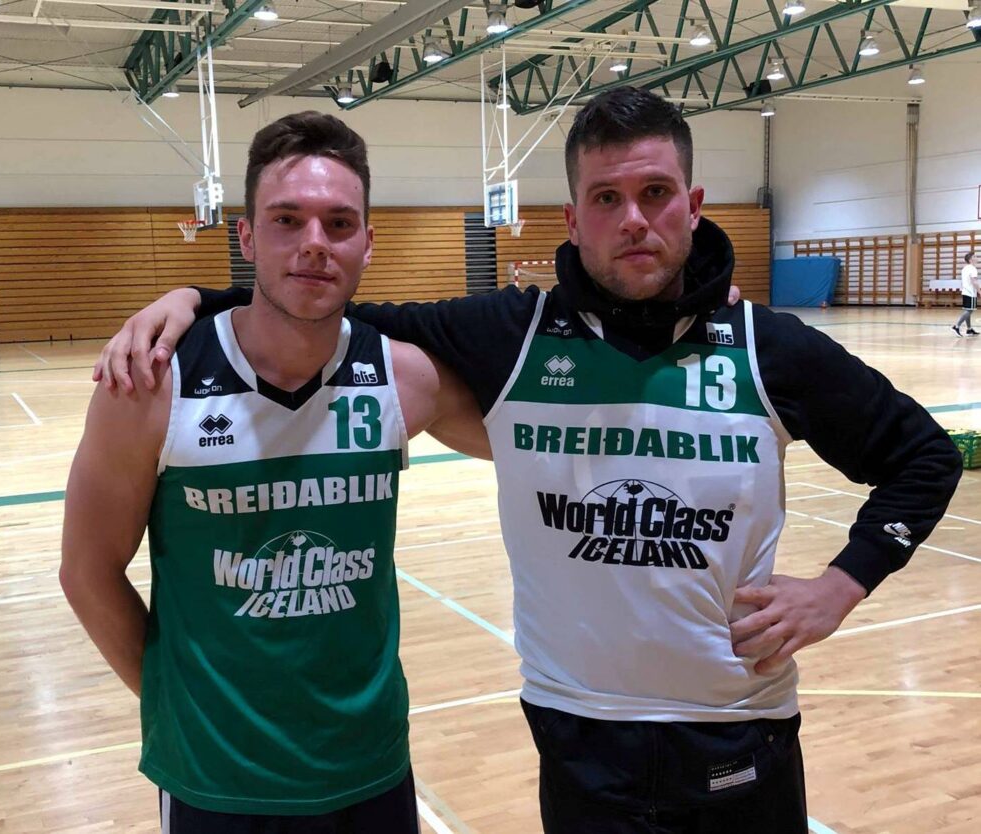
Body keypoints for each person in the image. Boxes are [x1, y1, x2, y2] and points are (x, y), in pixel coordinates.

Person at [95, 89, 962, 833]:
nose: (634, 219)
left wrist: (841, 585)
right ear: (573, 218)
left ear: (693, 205)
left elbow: (924, 455)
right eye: (607, 198)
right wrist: (195, 299)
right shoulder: (513, 336)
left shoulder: (766, 348)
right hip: (578, 734)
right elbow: (328, 308)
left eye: (656, 193)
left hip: (738, 729)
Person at [60, 111, 489, 834]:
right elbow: (86, 572)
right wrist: (178, 702)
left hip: (371, 765)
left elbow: (542, 447)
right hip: (217, 780)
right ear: (247, 236)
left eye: (339, 223)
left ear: (367, 243)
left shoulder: (405, 379)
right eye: (287, 220)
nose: (314, 242)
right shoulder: (153, 385)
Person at [953, 250, 978, 336]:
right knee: (969, 310)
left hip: (965, 292)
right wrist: (979, 291)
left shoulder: (965, 268)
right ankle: (956, 326)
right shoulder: (973, 269)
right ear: (970, 259)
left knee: (968, 310)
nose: (977, 258)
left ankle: (969, 329)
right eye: (975, 257)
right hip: (970, 292)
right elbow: (974, 282)